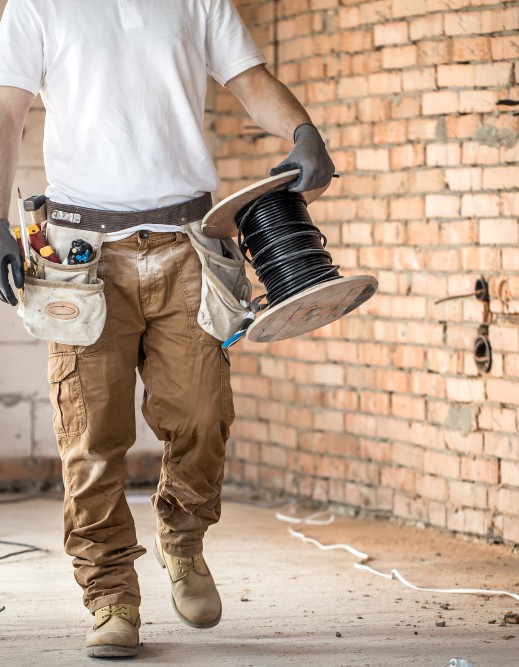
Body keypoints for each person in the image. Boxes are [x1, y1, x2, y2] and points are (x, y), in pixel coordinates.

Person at [0, 0, 334, 658]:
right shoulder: (36, 5)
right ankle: (110, 594)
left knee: (204, 412)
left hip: (191, 241)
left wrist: (302, 129)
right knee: (91, 432)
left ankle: (181, 541)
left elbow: (251, 82)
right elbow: (7, 113)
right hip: (80, 253)